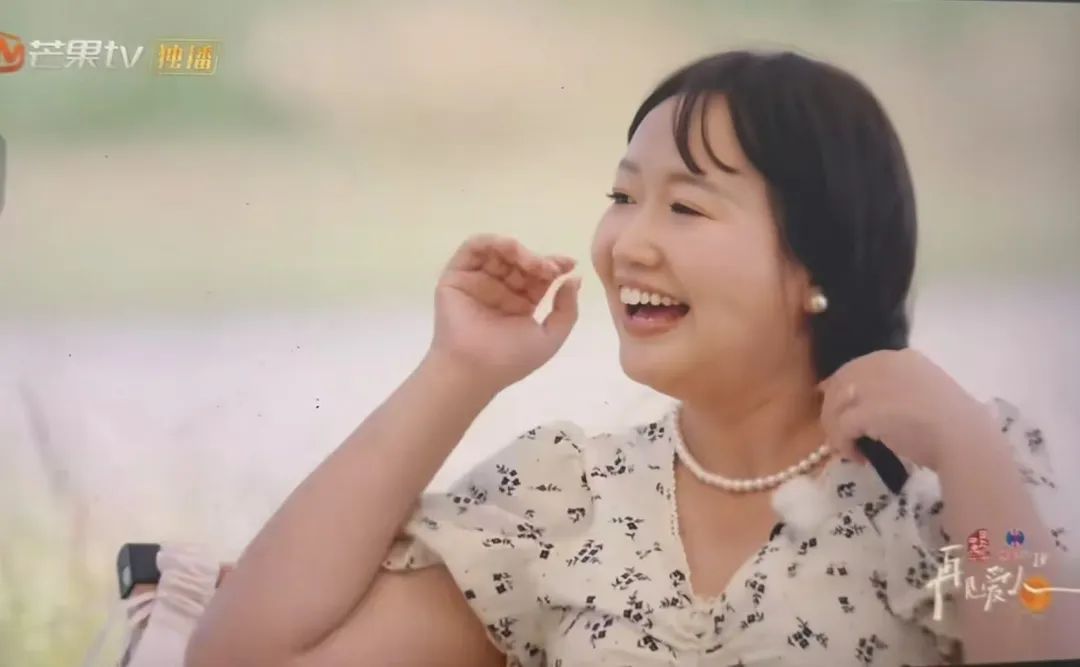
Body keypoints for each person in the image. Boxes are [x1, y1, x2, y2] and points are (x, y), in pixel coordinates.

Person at [185, 50, 1076, 667]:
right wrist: (457, 370)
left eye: (686, 207)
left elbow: (1036, 629)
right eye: (621, 196)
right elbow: (242, 656)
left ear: (817, 260)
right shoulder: (568, 497)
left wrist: (969, 456)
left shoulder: (955, 475)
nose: (627, 243)